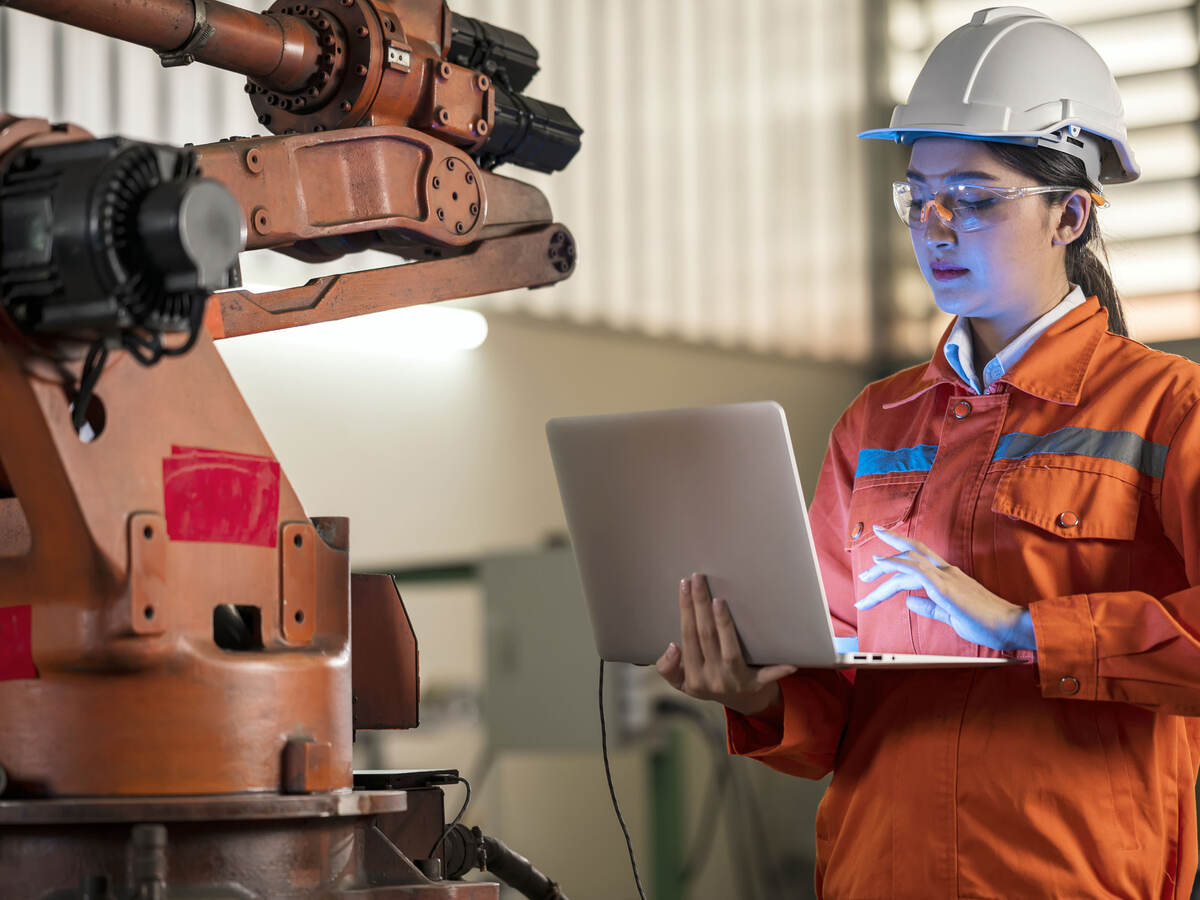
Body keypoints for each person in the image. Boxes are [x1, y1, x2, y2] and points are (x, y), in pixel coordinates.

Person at [655, 8, 1200, 898]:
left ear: (1069, 215)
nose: (936, 224)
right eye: (920, 194)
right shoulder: (876, 421)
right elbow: (830, 710)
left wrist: (1026, 631)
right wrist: (751, 691)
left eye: (976, 197)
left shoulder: (1169, 408)